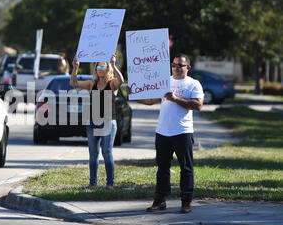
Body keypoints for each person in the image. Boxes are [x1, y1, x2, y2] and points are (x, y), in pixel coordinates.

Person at [139, 54, 203, 213]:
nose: (175, 68)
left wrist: (175, 99)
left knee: (186, 168)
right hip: (162, 132)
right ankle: (160, 200)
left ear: (187, 67)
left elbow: (198, 105)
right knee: (162, 168)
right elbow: (151, 100)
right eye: (173, 65)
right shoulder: (164, 81)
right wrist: (135, 95)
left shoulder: (193, 84)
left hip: (182, 132)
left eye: (179, 65)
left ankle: (186, 201)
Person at [70, 54, 124, 190]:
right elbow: (73, 83)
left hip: (108, 122)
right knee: (93, 153)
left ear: (107, 69)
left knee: (106, 152)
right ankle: (92, 183)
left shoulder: (112, 84)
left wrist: (113, 64)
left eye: (103, 67)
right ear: (96, 69)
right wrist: (75, 69)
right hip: (92, 122)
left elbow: (121, 80)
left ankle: (110, 183)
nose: (100, 69)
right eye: (98, 67)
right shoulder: (91, 84)